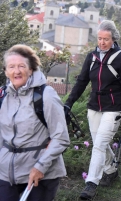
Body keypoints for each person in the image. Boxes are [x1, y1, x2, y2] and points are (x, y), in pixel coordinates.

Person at [64, 20, 121, 200]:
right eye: (100, 39)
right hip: (94, 106)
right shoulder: (91, 57)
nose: (102, 42)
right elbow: (81, 82)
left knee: (99, 145)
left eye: (106, 39)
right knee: (99, 144)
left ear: (114, 39)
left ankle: (91, 184)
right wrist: (69, 102)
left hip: (114, 108)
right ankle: (111, 170)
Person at [0, 44, 70, 201]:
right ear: (6, 71)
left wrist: (40, 166)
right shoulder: (2, 96)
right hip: (6, 172)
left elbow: (61, 137)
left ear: (31, 69)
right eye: (11, 66)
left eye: (21, 66)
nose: (16, 71)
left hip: (40, 173)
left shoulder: (46, 95)